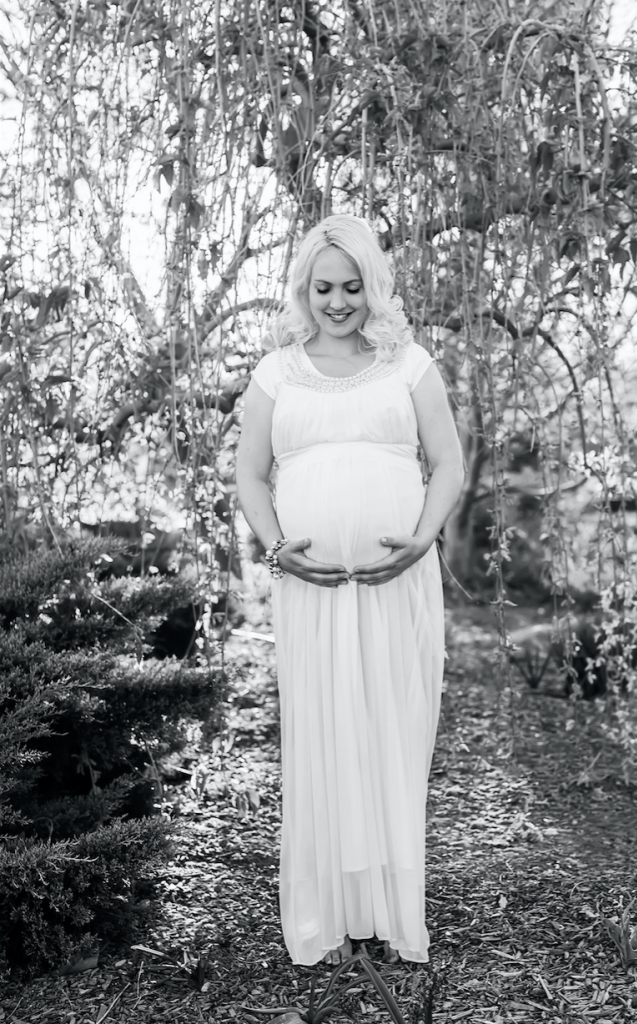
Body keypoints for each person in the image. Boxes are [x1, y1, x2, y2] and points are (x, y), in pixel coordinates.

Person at [236, 214, 464, 967]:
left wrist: (422, 538)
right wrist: (276, 549)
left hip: (395, 583)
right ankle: (329, 918)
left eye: (352, 286)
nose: (338, 302)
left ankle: (391, 917)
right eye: (323, 287)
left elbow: (449, 465)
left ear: (374, 285)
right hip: (311, 589)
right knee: (323, 736)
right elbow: (250, 475)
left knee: (388, 736)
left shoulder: (409, 364)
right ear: (304, 289)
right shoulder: (276, 372)